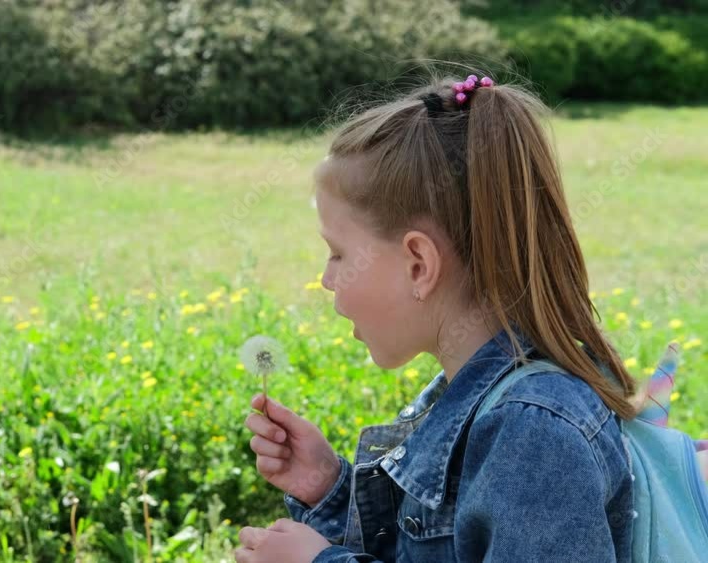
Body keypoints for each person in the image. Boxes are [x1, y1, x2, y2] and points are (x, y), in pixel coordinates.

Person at [236, 73, 638, 562]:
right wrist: (328, 491)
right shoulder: (473, 400)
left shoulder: (534, 435)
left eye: (338, 254)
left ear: (419, 265)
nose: (326, 278)